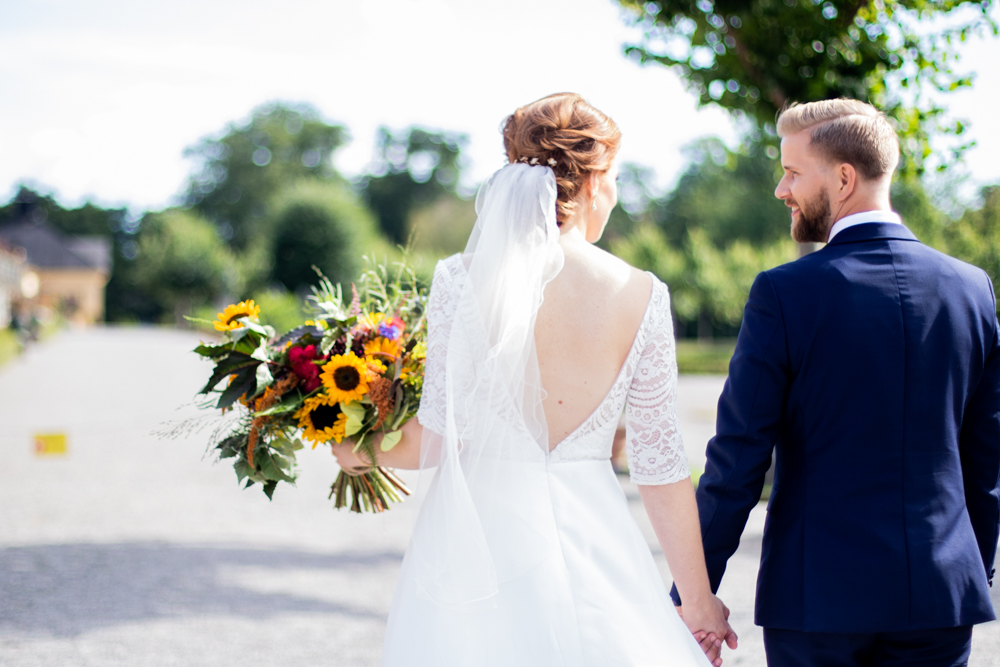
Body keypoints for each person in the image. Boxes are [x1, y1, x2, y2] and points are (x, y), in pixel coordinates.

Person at [332, 93, 736, 666]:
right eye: (615, 178)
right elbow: (660, 466)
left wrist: (358, 449)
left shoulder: (459, 279)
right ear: (593, 182)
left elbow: (439, 439)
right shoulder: (642, 294)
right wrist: (698, 603)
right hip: (594, 541)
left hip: (480, 555)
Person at [672, 98, 1000, 666]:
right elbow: (985, 458)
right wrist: (970, 568)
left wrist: (693, 598)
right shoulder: (972, 290)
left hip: (816, 601)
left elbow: (737, 462)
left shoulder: (784, 294)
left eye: (793, 172)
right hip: (939, 597)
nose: (781, 189)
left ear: (844, 178)